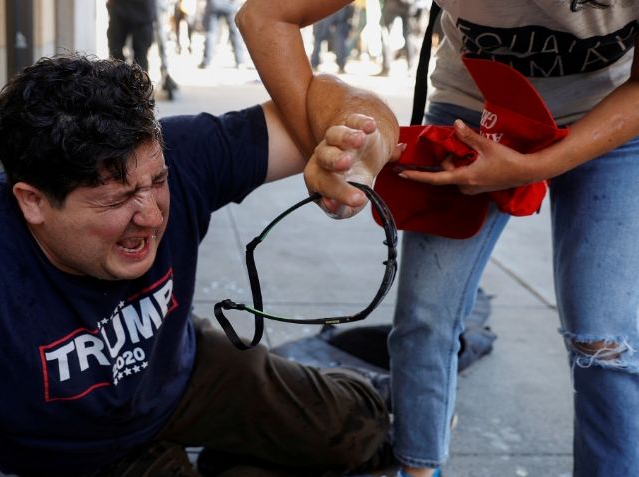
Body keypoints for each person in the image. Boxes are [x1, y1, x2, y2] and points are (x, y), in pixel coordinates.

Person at [0, 53, 402, 476]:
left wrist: (350, 147)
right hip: (72, 452)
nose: (150, 215)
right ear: (33, 200)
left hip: (183, 370)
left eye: (156, 183)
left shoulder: (182, 155)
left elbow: (325, 100)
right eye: (113, 201)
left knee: (360, 433)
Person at [237, 1, 639, 476]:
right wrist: (332, 164)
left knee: (605, 342)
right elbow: (264, 17)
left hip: (607, 116)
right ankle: (420, 468)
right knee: (425, 322)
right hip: (473, 113)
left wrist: (535, 168)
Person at [106, 0, 157, 72]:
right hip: (119, 8)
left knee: (141, 59)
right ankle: (116, 80)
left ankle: (140, 81)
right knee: (115, 54)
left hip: (143, 10)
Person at [198, 0, 247, 69]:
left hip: (214, 3)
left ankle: (206, 61)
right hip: (229, 4)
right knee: (235, 33)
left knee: (211, 32)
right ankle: (240, 61)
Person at [310, 2, 355, 74]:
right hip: (334, 12)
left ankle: (315, 63)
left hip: (325, 12)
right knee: (338, 40)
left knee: (321, 40)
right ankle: (340, 64)